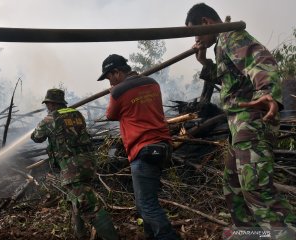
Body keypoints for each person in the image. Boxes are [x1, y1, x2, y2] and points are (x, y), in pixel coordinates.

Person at [185, 3, 296, 239]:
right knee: (233, 186)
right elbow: (231, 80)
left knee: (255, 188)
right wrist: (204, 62)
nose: (196, 38)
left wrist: (266, 90)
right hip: (239, 127)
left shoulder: (229, 35)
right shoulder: (220, 45)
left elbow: (260, 59)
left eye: (195, 32)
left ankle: (285, 234)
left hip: (251, 121)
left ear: (206, 22)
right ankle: (250, 233)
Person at [97, 54, 180, 240]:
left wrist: (114, 91)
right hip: (163, 146)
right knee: (143, 204)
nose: (109, 82)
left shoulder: (118, 92)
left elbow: (110, 115)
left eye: (109, 77)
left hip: (143, 150)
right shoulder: (152, 83)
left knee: (148, 205)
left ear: (117, 72)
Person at [31, 88, 119, 240]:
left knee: (89, 205)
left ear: (51, 103)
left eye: (47, 104)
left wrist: (46, 123)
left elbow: (36, 137)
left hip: (72, 167)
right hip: (88, 163)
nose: (47, 107)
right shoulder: (77, 114)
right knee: (76, 199)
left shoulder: (50, 119)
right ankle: (80, 234)